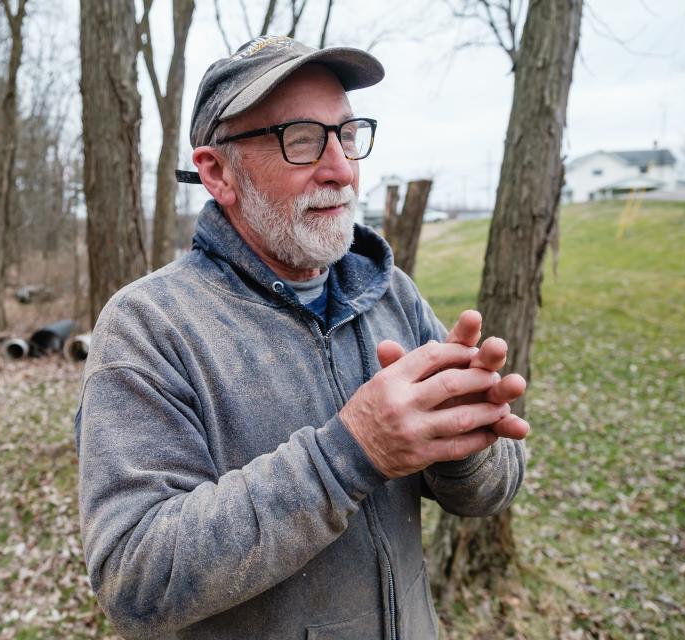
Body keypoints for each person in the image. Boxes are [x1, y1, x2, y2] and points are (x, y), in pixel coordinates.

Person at [75, 35, 529, 640]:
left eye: (346, 133)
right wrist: (350, 453)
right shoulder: (152, 327)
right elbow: (135, 580)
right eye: (302, 139)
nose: (341, 168)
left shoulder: (390, 292)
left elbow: (490, 493)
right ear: (218, 172)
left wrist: (466, 447)